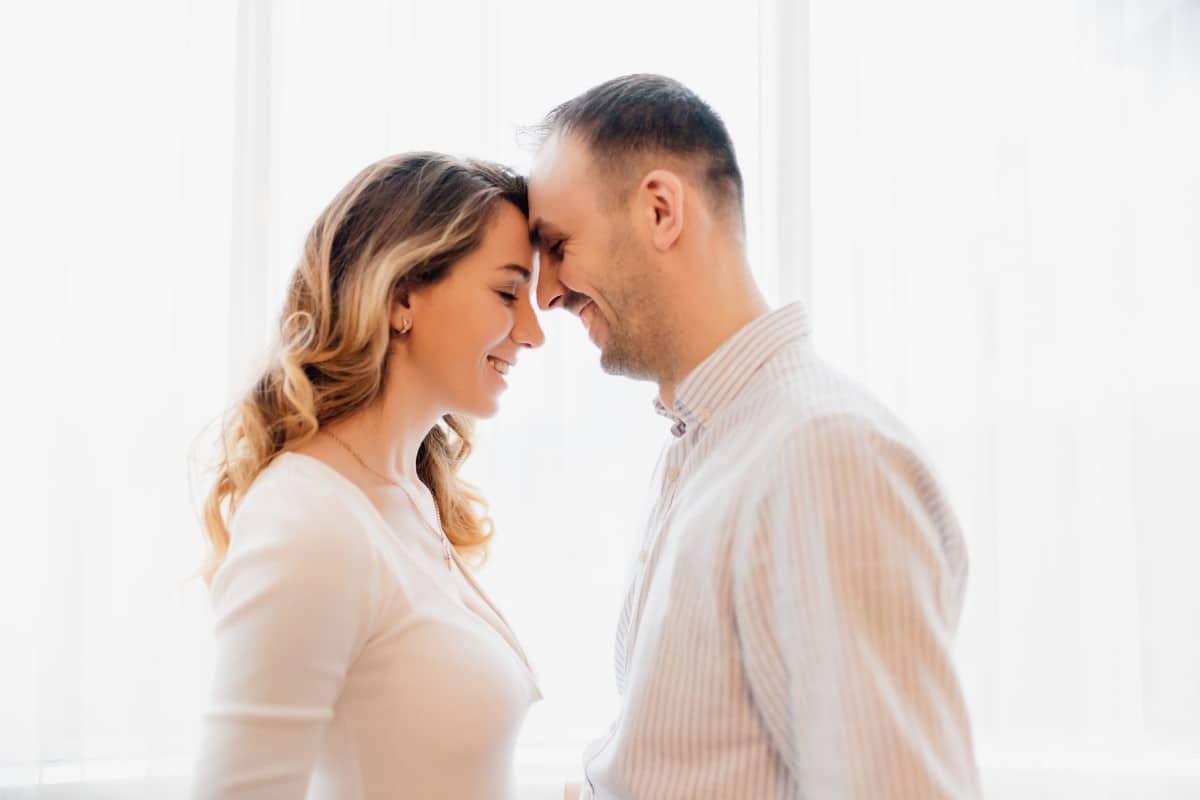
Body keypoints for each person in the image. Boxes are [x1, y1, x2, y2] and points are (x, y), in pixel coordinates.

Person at [529, 74, 982, 799]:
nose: (545, 292)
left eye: (557, 244)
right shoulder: (708, 447)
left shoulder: (826, 456)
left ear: (659, 210)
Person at [192, 152, 564, 799]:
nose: (533, 332)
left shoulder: (408, 496)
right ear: (400, 299)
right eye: (507, 292)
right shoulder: (309, 522)